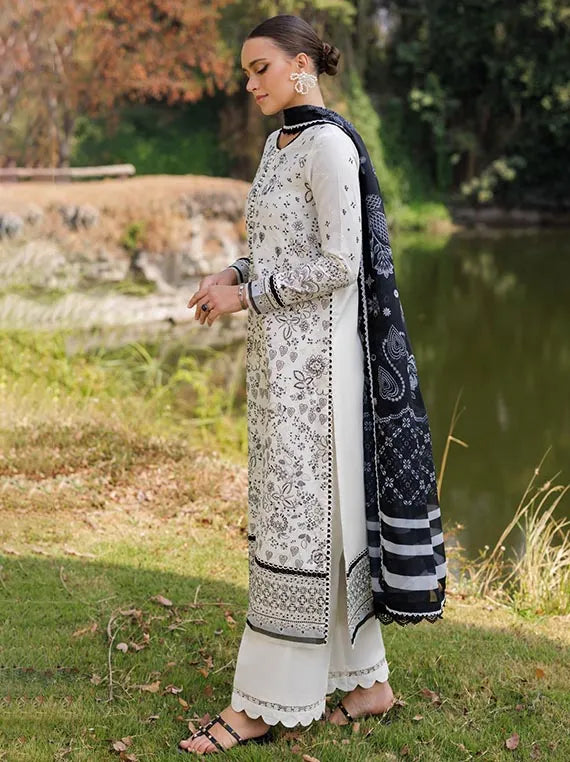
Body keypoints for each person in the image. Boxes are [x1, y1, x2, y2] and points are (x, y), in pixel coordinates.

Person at [180, 13, 446, 755]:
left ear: (302, 64)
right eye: (246, 71)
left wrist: (249, 295)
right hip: (279, 364)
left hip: (318, 371)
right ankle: (366, 684)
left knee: (298, 530)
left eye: (260, 67)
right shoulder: (279, 145)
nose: (250, 82)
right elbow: (276, 246)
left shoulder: (329, 146)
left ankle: (260, 704)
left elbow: (340, 262)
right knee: (310, 524)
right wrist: (232, 272)